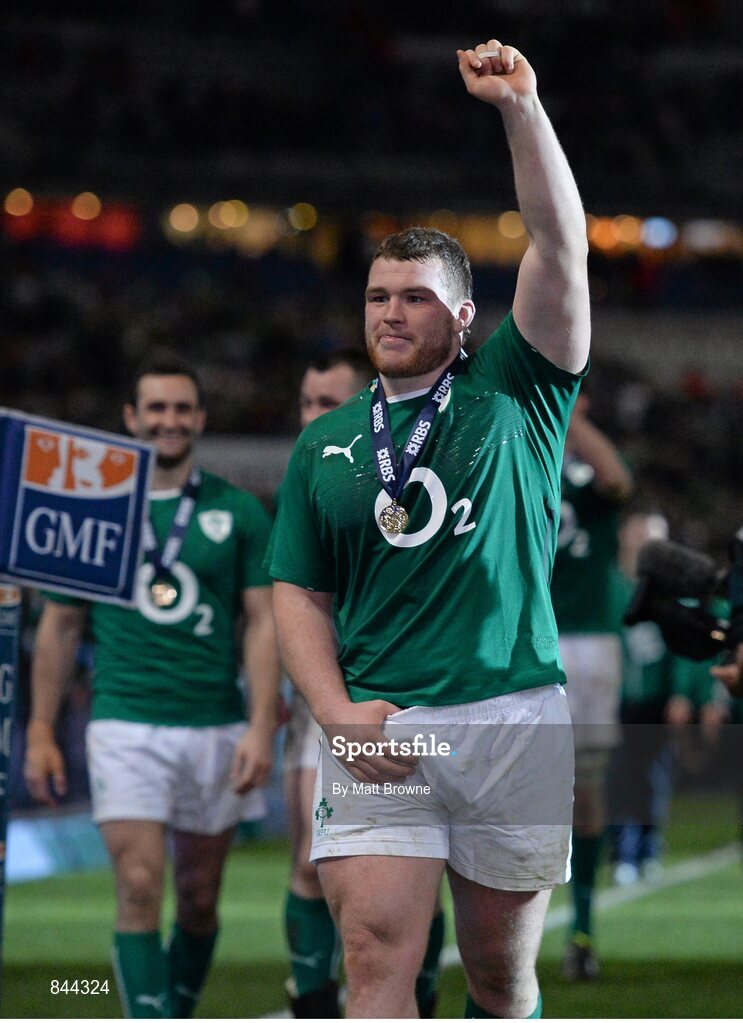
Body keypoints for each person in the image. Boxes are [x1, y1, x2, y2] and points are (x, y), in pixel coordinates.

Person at [269, 36, 590, 1020]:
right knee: (375, 962)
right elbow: (298, 591)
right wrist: (332, 714)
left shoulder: (517, 388)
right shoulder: (323, 443)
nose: (391, 313)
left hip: (508, 719)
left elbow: (558, 244)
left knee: (498, 979)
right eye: (376, 297)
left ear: (462, 311)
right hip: (381, 727)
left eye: (413, 297)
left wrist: (518, 110)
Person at [24, 357, 281, 1019]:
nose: (168, 420)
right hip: (124, 721)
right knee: (139, 885)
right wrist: (41, 729)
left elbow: (262, 623)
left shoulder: (238, 511)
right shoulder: (96, 505)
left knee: (198, 899)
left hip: (215, 724)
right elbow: (58, 626)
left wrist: (259, 724)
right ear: (131, 418)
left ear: (199, 418)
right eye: (155, 409)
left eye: (181, 409)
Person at [284, 349, 445, 1017]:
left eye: (329, 403)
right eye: (307, 402)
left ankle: (417, 992)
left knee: (414, 876)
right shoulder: (311, 476)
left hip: (396, 697)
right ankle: (313, 998)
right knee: (307, 859)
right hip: (319, 701)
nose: (314, 416)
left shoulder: (400, 479)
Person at [549, 391, 633, 980]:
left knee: (586, 792)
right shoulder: (516, 452)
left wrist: (573, 415)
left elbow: (618, 481)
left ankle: (581, 929)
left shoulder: (583, 470)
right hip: (521, 638)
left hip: (587, 644)